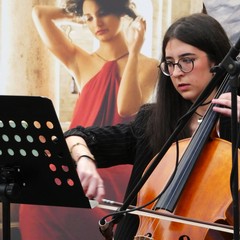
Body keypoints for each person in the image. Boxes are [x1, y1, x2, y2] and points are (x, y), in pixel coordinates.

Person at [63, 13, 240, 239]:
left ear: (217, 62)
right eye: (170, 64)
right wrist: (84, 159)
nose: (176, 73)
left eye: (187, 61)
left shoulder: (235, 122)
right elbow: (76, 135)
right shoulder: (153, 121)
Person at [19, 1, 159, 239]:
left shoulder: (149, 64)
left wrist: (134, 51)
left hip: (115, 166)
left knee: (52, 198)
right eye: (90, 18)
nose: (97, 23)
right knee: (34, 201)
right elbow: (40, 14)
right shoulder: (79, 60)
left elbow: (126, 109)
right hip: (77, 157)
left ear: (121, 11)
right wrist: (78, 13)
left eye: (103, 13)